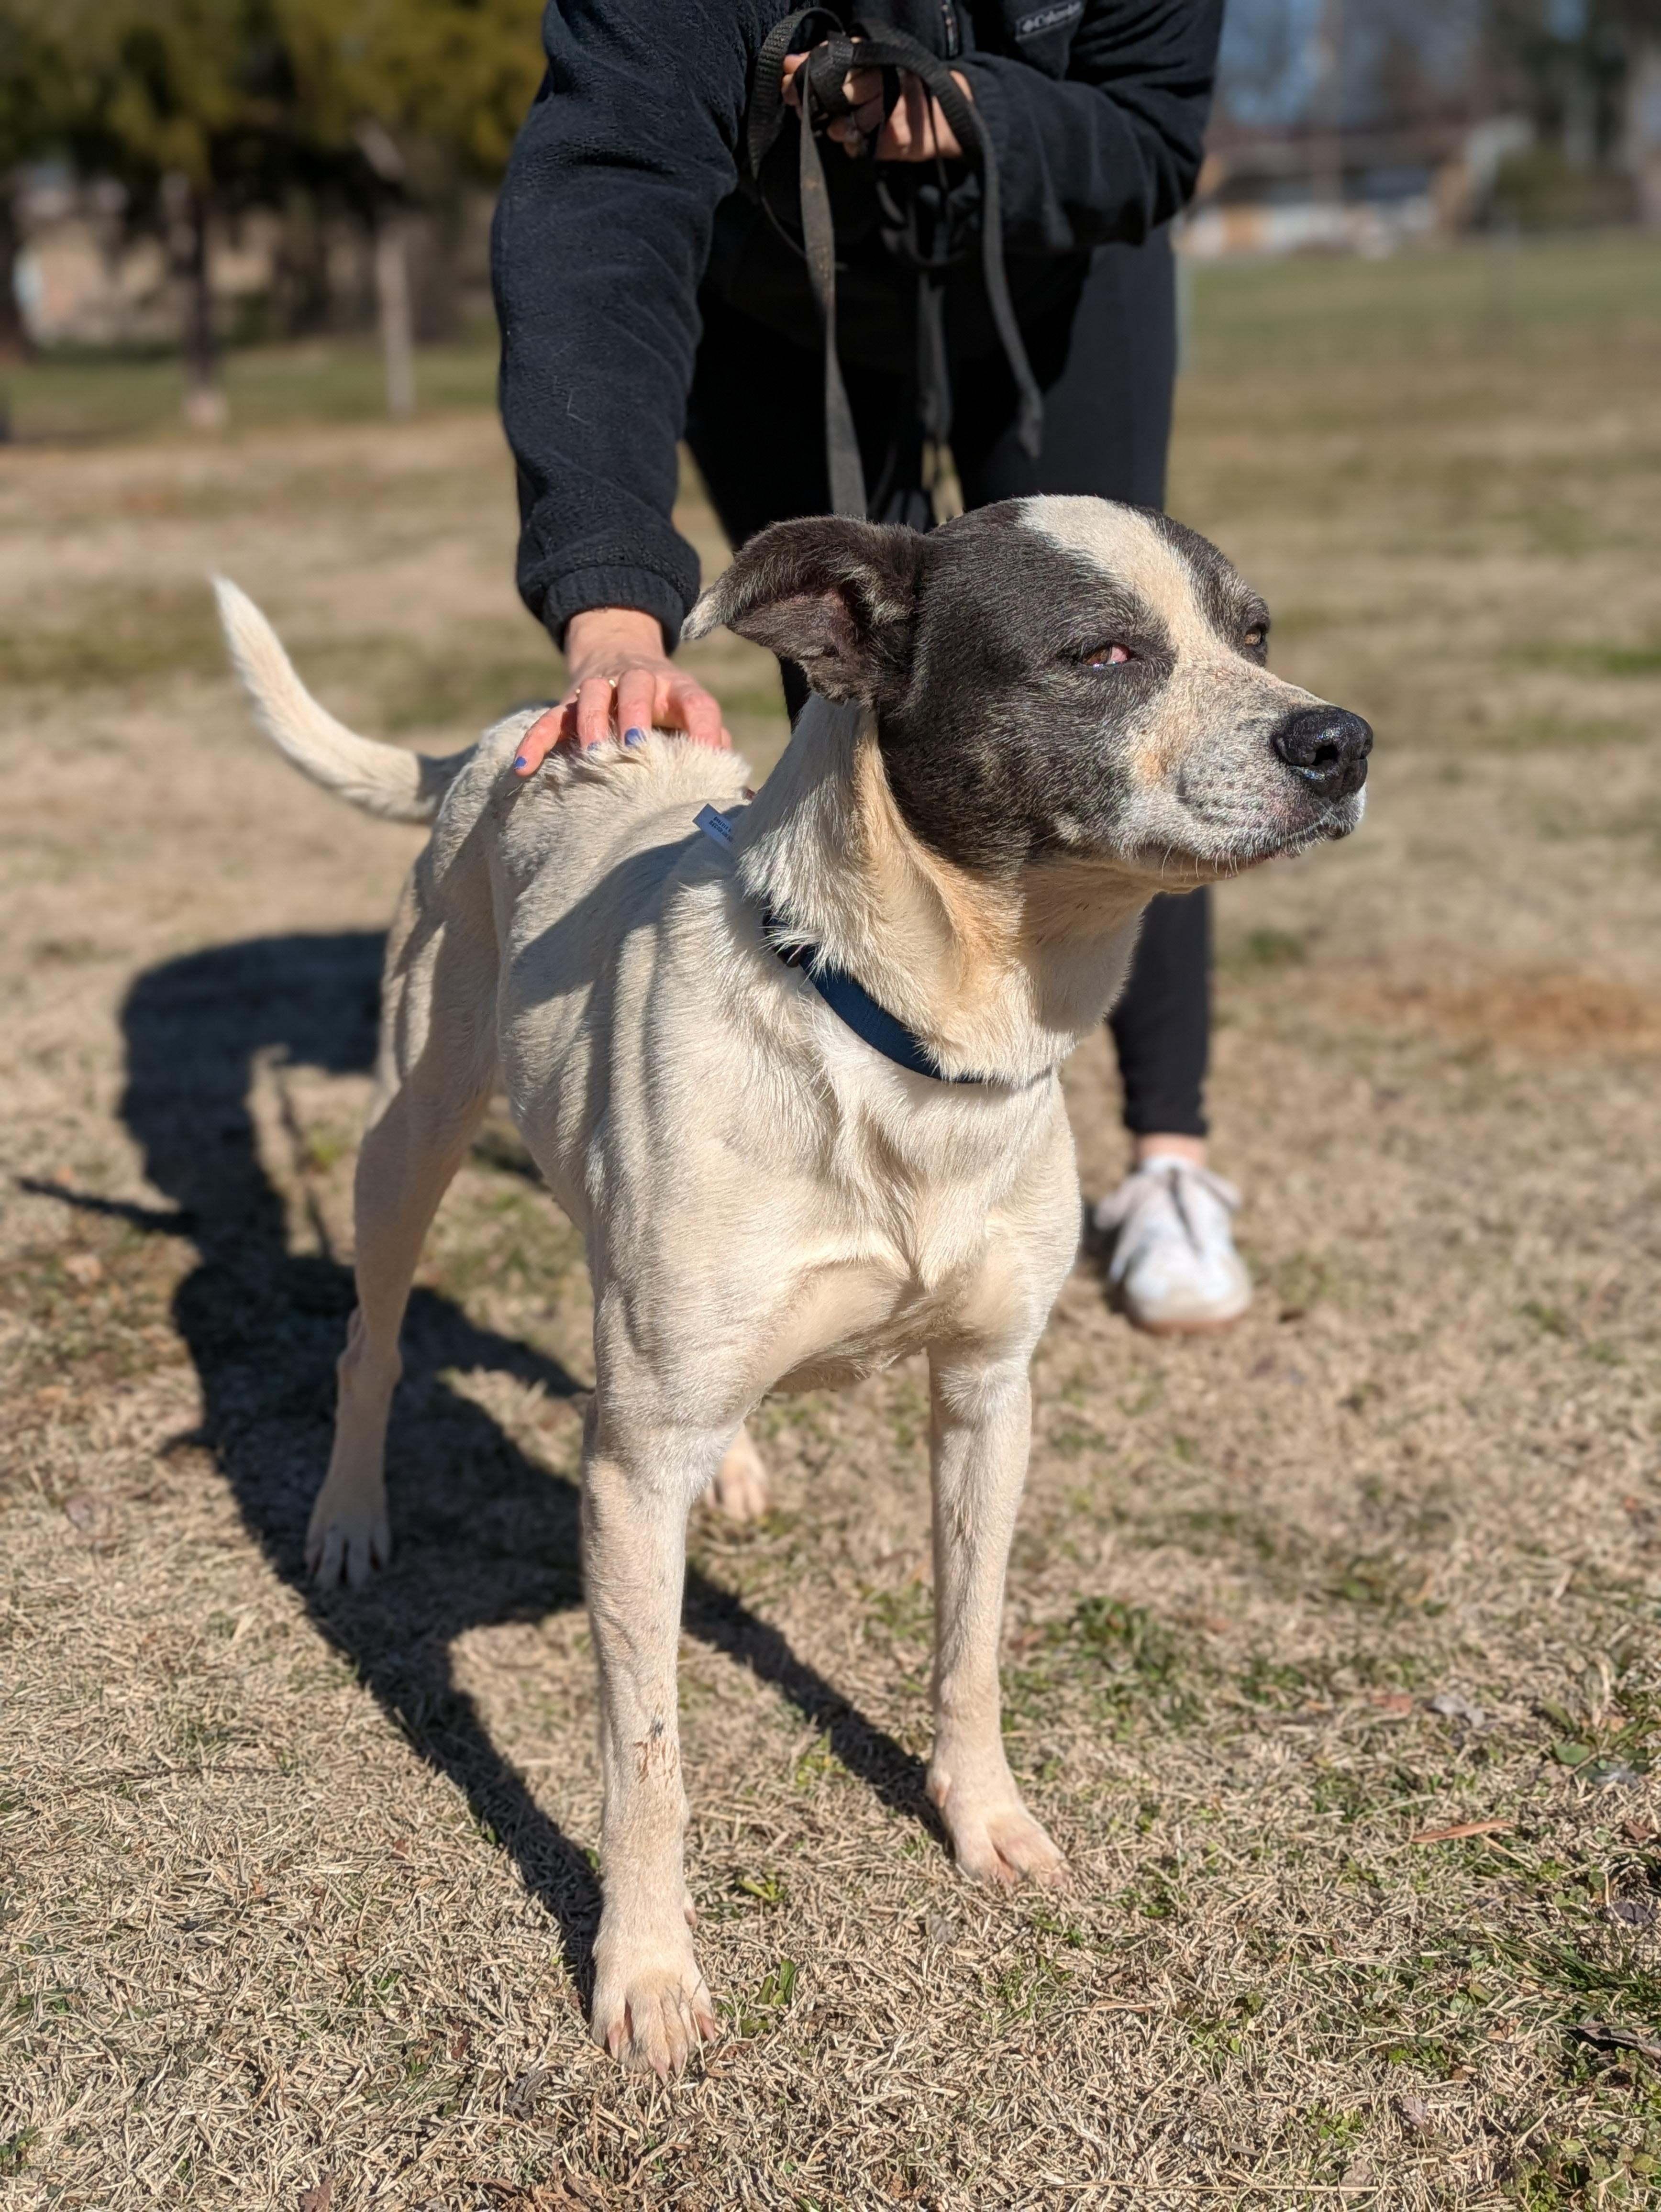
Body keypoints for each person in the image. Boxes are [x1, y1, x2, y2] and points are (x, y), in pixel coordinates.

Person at [491, 0, 1251, 1332]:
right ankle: (814, 1161)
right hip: (776, 283)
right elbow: (604, 197)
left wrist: (971, 110)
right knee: (869, 699)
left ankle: (1167, 1163)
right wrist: (611, 591)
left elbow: (1149, 129)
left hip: (1060, 263)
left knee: (1144, 709)